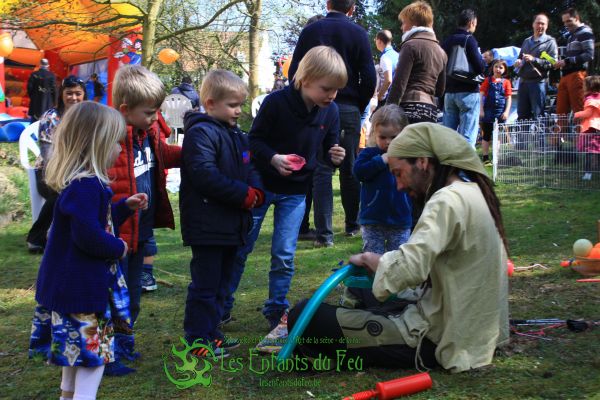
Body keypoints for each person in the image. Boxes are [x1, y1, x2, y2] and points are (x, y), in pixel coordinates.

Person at [288, 122, 509, 372]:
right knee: (361, 290)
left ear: (423, 163)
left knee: (303, 316)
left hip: (439, 338)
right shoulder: (472, 192)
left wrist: (374, 261)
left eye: (398, 173)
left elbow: (409, 269)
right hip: (470, 328)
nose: (399, 186)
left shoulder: (446, 201)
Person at [28, 101, 148, 400]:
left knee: (73, 353)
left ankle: (67, 396)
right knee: (95, 357)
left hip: (70, 290)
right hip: (81, 291)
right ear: (97, 145)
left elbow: (92, 222)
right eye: (116, 143)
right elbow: (88, 235)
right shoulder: (86, 186)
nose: (121, 150)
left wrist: (122, 208)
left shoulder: (81, 185)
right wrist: (118, 246)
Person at [227, 46, 347, 331]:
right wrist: (273, 158)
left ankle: (277, 309)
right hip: (262, 185)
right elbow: (253, 141)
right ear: (305, 80)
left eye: (336, 90)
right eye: (326, 88)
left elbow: (329, 149)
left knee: (284, 254)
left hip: (296, 191)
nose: (332, 95)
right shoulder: (276, 103)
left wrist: (336, 156)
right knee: (242, 247)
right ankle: (221, 305)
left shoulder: (330, 112)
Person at [179, 69, 263, 357]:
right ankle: (197, 339)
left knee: (222, 285)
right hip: (207, 225)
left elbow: (250, 166)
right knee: (205, 285)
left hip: (231, 225)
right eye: (233, 105)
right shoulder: (200, 133)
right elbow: (204, 175)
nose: (238, 111)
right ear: (211, 103)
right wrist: (242, 195)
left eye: (240, 104)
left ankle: (212, 332)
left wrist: (256, 190)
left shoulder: (237, 135)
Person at [107, 65, 181, 375]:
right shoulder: (110, 142)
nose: (155, 118)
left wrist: (194, 152)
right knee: (113, 300)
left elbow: (163, 154)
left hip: (140, 232)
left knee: (133, 297)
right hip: (118, 238)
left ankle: (124, 346)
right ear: (125, 110)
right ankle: (107, 355)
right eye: (150, 112)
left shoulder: (146, 134)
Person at [289, 0, 376, 241]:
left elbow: (294, 72)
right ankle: (352, 224)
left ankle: (324, 233)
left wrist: (304, 103)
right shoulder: (359, 33)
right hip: (348, 105)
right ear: (352, 8)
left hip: (315, 106)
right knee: (349, 168)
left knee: (320, 169)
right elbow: (368, 77)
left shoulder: (311, 31)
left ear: (327, 3)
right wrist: (357, 104)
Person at [26, 76, 87, 253]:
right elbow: (48, 153)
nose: (73, 98)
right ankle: (36, 237)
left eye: (78, 93)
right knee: (63, 190)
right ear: (62, 94)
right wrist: (63, 174)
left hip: (77, 170)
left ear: (84, 95)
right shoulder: (51, 117)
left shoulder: (86, 116)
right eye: (69, 93)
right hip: (48, 171)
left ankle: (80, 235)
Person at [353, 105, 412, 253]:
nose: (388, 142)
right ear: (374, 134)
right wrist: (380, 161)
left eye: (394, 137)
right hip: (373, 219)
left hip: (400, 219)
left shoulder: (408, 156)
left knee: (398, 260)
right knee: (372, 258)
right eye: (383, 137)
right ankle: (374, 278)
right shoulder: (368, 154)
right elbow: (358, 172)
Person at [385, 1, 447, 124]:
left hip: (409, 107)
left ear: (414, 24)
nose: (401, 27)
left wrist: (387, 111)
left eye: (403, 23)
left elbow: (399, 84)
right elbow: (440, 90)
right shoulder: (441, 52)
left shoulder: (410, 46)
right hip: (430, 110)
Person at [441, 9, 486, 147]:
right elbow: (480, 67)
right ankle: (464, 169)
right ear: (471, 22)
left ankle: (447, 168)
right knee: (467, 139)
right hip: (468, 92)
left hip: (449, 92)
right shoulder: (469, 40)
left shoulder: (447, 40)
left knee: (448, 138)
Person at [514, 13, 558, 120]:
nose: (540, 26)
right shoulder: (526, 41)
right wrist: (518, 62)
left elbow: (553, 63)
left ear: (547, 26)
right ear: (533, 24)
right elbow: (520, 57)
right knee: (522, 116)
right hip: (523, 82)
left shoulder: (550, 42)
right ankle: (523, 137)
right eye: (538, 23)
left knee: (539, 116)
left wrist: (534, 59)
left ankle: (539, 137)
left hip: (538, 83)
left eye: (543, 24)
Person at [479, 60, 512, 166]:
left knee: (498, 136)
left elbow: (508, 98)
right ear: (492, 68)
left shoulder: (506, 82)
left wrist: (507, 111)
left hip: (500, 112)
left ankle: (495, 158)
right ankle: (485, 158)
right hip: (488, 111)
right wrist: (481, 110)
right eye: (496, 67)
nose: (498, 69)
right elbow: (481, 95)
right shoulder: (487, 81)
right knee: (486, 135)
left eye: (501, 67)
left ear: (505, 70)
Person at [575, 75, 600, 181]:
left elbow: (588, 113)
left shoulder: (590, 99)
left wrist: (576, 114)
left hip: (591, 127)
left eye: (584, 85)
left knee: (589, 151)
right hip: (598, 127)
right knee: (597, 150)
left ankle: (587, 173)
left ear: (589, 87)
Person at [375, 30, 399, 104]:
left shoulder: (385, 57)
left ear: (379, 41)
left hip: (387, 99)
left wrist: (379, 97)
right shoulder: (398, 55)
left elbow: (388, 80)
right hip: (397, 97)